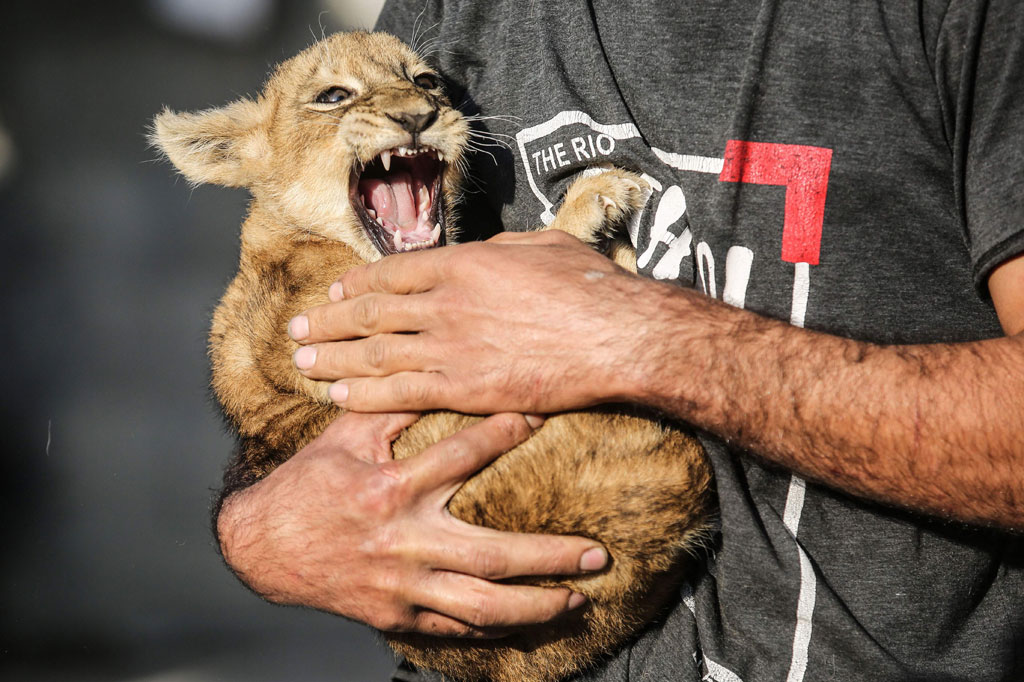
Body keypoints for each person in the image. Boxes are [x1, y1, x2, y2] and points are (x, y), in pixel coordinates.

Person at [216, 1, 1024, 680]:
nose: (413, 101)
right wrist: (258, 532)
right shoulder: (451, 13)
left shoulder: (962, 19)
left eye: (422, 89)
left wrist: (643, 340)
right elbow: (296, 405)